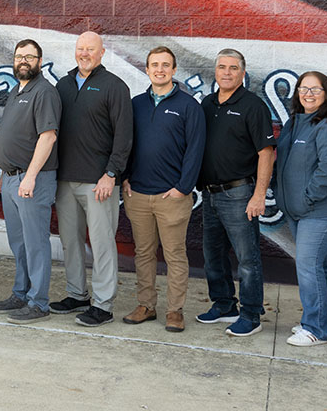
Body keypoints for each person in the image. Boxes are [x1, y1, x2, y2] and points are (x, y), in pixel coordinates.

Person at [53, 32, 133, 327]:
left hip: (99, 182)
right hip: (65, 180)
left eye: (90, 49)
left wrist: (111, 174)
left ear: (102, 53)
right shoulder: (62, 85)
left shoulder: (114, 86)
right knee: (70, 241)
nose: (84, 53)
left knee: (101, 244)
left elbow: (124, 136)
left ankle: (103, 304)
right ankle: (77, 294)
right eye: (80, 48)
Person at [124, 46, 204, 332]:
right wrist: (124, 178)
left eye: (165, 65)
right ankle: (146, 305)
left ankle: (174, 310)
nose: (159, 69)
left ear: (173, 70)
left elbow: (195, 150)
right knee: (143, 253)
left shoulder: (188, 105)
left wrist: (183, 188)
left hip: (172, 197)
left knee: (174, 255)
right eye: (154, 65)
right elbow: (125, 145)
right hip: (138, 195)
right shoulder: (135, 105)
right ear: (146, 70)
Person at [196, 49, 275, 337]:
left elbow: (266, 153)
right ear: (215, 72)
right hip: (211, 194)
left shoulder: (253, 106)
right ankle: (224, 304)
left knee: (247, 257)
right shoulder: (207, 104)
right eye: (221, 67)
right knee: (213, 254)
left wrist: (259, 194)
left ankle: (251, 314)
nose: (226, 72)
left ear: (243, 73)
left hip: (240, 193)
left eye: (233, 68)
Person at [273, 71, 327, 347]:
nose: (308, 94)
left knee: (308, 266)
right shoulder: (295, 122)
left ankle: (315, 329)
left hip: (321, 210)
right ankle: (324, 321)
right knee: (317, 266)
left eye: (315, 89)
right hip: (298, 211)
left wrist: (305, 199)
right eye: (303, 88)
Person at [0, 39, 61, 324]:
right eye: (20, 56)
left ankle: (39, 303)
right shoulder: (18, 91)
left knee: (35, 243)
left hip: (33, 180)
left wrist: (29, 177)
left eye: (30, 57)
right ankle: (21, 293)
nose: (24, 61)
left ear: (40, 61)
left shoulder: (44, 92)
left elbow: (48, 136)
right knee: (18, 243)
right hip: (11, 179)